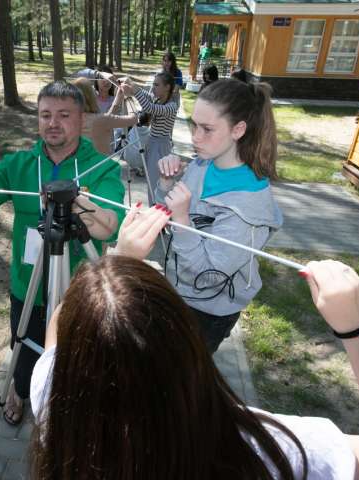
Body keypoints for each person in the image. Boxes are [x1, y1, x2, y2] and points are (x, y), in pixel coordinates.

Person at [29, 238, 359, 478]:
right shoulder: (275, 450)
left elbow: (56, 336)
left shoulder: (53, 397)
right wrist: (356, 328)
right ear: (189, 346)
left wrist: (116, 264)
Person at [0, 81, 126, 426]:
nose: (53, 123)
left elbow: (111, 226)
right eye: (45, 115)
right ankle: (20, 390)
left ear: (82, 120)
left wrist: (74, 201)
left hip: (81, 290)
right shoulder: (20, 164)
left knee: (78, 356)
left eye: (64, 115)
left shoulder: (102, 168)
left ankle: (67, 406)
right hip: (27, 287)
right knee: (25, 348)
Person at [154, 78, 282, 353]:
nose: (195, 137)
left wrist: (183, 221)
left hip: (208, 312)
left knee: (180, 383)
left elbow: (208, 277)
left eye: (207, 129)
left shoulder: (248, 208)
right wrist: (166, 185)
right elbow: (163, 217)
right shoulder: (203, 164)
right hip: (178, 292)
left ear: (238, 130)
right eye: (194, 125)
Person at [120, 71, 179, 204]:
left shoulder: (171, 106)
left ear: (167, 87)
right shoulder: (158, 99)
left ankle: (158, 209)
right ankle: (155, 207)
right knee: (151, 180)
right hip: (152, 143)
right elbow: (147, 97)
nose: (153, 88)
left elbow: (149, 107)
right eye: (153, 84)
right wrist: (133, 89)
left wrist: (134, 88)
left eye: (157, 85)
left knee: (156, 181)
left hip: (161, 146)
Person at [71, 77, 137, 155]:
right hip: (101, 165)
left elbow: (107, 119)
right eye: (91, 89)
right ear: (89, 96)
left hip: (80, 164)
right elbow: (133, 119)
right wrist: (129, 98)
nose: (94, 90)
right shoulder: (99, 119)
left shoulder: (71, 118)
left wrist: (118, 98)